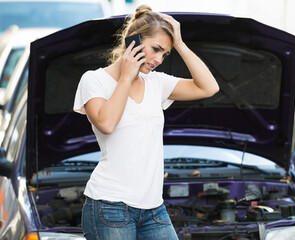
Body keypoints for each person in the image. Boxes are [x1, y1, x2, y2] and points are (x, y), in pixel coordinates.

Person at [73, 5, 219, 239]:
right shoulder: (94, 80)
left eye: (165, 54)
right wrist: (127, 76)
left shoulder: (157, 83)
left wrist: (179, 43)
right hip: (109, 206)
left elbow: (209, 87)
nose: (159, 59)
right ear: (133, 40)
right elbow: (107, 123)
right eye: (156, 49)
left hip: (154, 209)